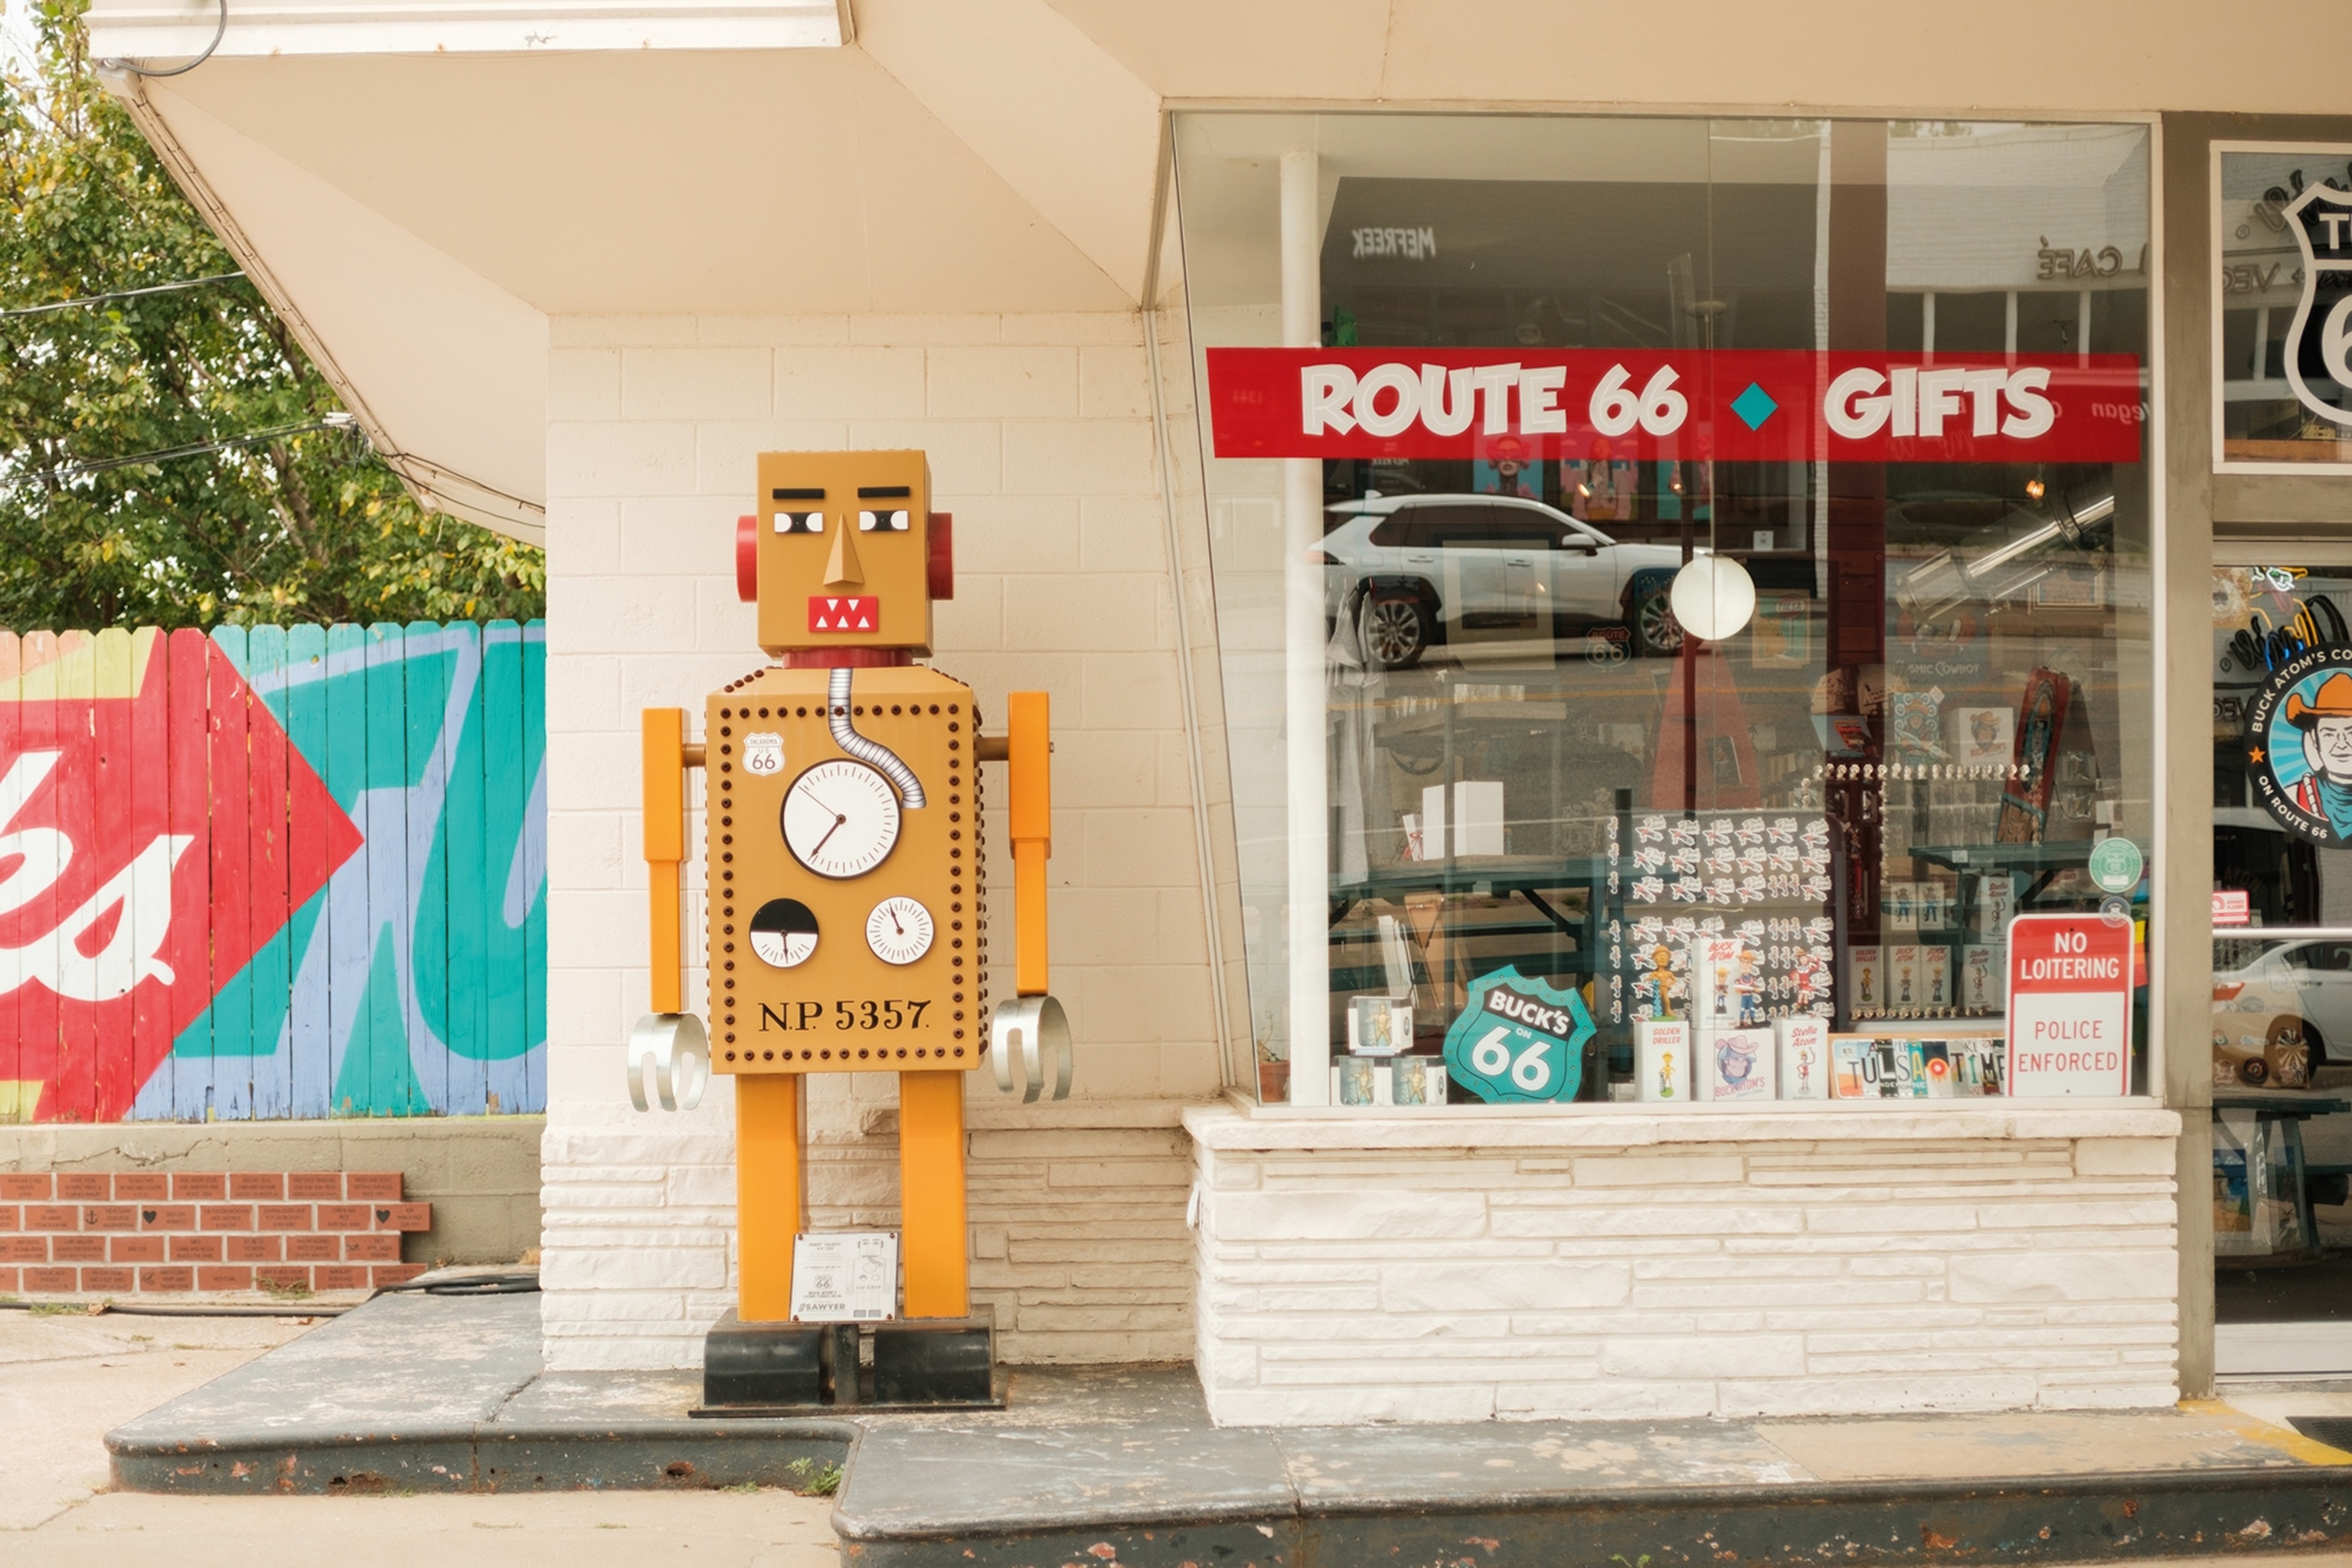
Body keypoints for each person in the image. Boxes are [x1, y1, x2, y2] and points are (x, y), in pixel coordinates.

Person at [2285, 671, 2352, 839]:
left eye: (2351, 733)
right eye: (2329, 734)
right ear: (2315, 739)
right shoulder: (2296, 797)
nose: (2342, 743)